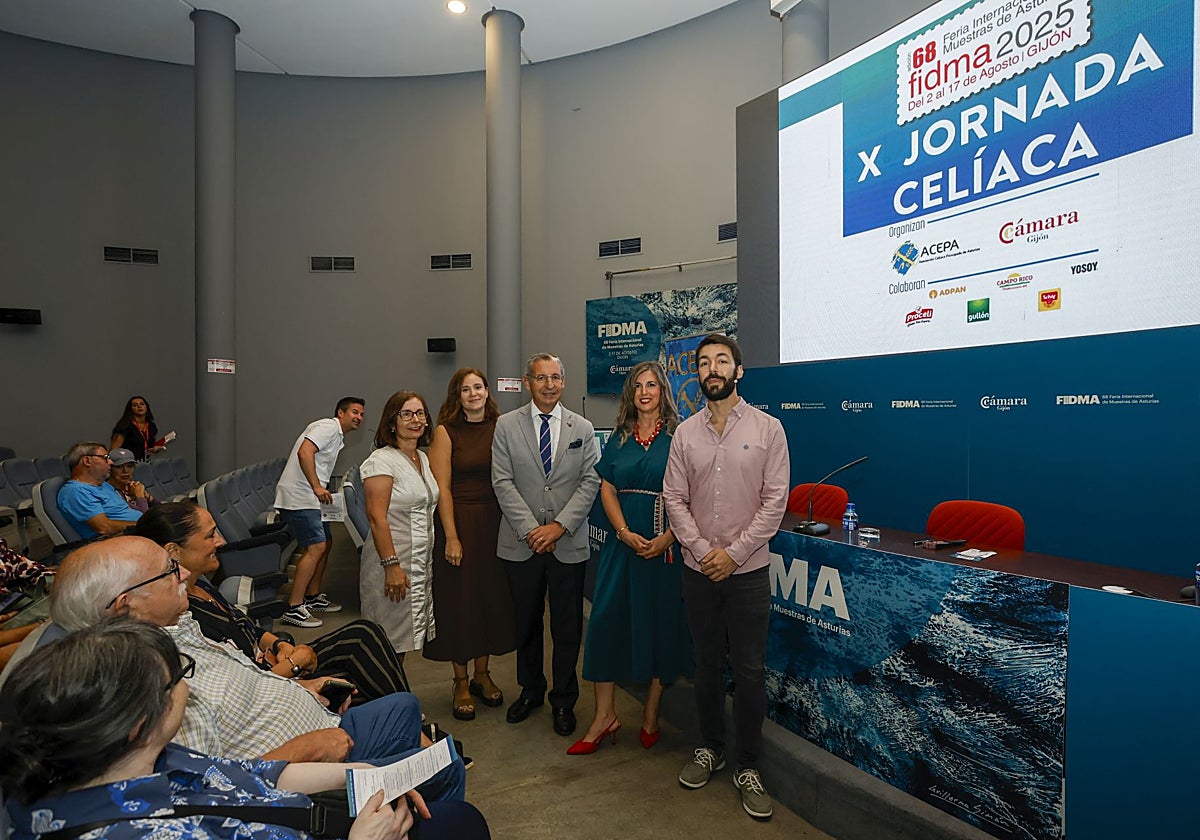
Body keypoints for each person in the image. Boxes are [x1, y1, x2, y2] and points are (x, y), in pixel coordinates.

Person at [46, 536, 466, 803]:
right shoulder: (148, 679)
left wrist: (301, 688)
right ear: (126, 607)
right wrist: (307, 749)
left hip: (318, 724)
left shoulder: (176, 624)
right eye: (169, 572)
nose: (185, 573)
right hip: (300, 771)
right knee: (444, 768)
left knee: (404, 706)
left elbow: (243, 669)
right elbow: (209, 788)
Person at [0, 618, 491, 840]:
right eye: (177, 677)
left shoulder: (138, 760)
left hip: (305, 816)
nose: (185, 686)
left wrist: (366, 775)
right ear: (137, 724)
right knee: (460, 822)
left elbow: (256, 774)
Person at [662, 333, 790, 821]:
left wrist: (733, 556)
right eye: (703, 362)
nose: (711, 369)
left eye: (721, 361)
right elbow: (674, 498)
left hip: (748, 573)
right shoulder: (685, 434)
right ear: (697, 373)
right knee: (706, 665)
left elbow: (774, 503)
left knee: (750, 671)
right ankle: (710, 748)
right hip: (698, 573)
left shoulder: (769, 429)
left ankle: (748, 766)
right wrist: (702, 551)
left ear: (739, 371)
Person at [136, 501, 410, 703]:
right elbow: (238, 692)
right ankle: (411, 728)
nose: (220, 541)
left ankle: (410, 726)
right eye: (210, 536)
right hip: (265, 687)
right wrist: (293, 665)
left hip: (271, 663)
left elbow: (248, 628)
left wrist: (280, 645)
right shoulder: (180, 612)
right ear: (174, 551)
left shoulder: (200, 585)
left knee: (363, 635)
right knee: (364, 668)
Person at [569, 361, 693, 755]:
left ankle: (651, 712)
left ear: (663, 391)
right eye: (637, 385)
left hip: (665, 549)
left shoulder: (679, 437)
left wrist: (669, 538)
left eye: (651, 385)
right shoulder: (619, 437)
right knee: (605, 624)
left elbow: (694, 494)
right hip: (622, 546)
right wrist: (623, 532)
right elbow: (607, 489)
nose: (644, 392)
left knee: (660, 625)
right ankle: (603, 717)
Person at [491, 353, 600, 737]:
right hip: (521, 543)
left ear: (563, 382)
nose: (549, 385)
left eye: (555, 377)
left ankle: (564, 700)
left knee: (568, 627)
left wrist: (558, 527)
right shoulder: (506, 425)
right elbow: (502, 482)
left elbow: (590, 481)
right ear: (527, 382)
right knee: (527, 622)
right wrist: (531, 530)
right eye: (541, 378)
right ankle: (531, 690)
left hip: (567, 543)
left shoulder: (582, 428)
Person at [423, 368, 515, 721]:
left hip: (494, 522)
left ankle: (482, 674)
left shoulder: (501, 426)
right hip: (459, 520)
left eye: (479, 387)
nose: (473, 393)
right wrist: (451, 536)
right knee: (460, 602)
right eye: (466, 389)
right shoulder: (446, 432)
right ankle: (460, 681)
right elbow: (442, 488)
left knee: (489, 598)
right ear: (456, 396)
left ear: (487, 391)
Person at [273, 397, 366, 628]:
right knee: (316, 546)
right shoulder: (328, 427)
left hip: (311, 497)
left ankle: (312, 596)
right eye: (355, 412)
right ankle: (294, 607)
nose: (359, 417)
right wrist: (316, 486)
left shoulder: (337, 435)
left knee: (327, 541)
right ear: (340, 413)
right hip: (301, 496)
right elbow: (305, 452)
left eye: (362, 414)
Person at [359, 391, 439, 657]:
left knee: (403, 640)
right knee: (387, 640)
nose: (415, 420)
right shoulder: (381, 461)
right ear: (392, 422)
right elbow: (376, 517)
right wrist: (391, 566)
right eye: (406, 414)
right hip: (392, 561)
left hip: (418, 563)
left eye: (420, 413)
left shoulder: (422, 458)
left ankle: (395, 684)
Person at [56, 441, 142, 538]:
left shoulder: (104, 485)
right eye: (105, 458)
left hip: (138, 532)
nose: (111, 462)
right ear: (87, 461)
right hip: (123, 539)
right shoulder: (76, 491)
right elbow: (104, 527)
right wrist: (145, 525)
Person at [110, 394, 163, 461]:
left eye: (142, 404)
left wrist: (154, 449)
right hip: (127, 462)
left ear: (146, 407)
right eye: (135, 405)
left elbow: (147, 447)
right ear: (130, 409)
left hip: (145, 462)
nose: (139, 406)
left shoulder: (152, 426)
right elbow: (113, 451)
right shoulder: (125, 426)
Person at [107, 446, 157, 511]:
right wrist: (140, 497)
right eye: (118, 467)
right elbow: (143, 516)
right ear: (109, 469)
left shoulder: (132, 487)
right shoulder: (109, 492)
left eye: (129, 466)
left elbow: (162, 509)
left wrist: (148, 497)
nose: (125, 471)